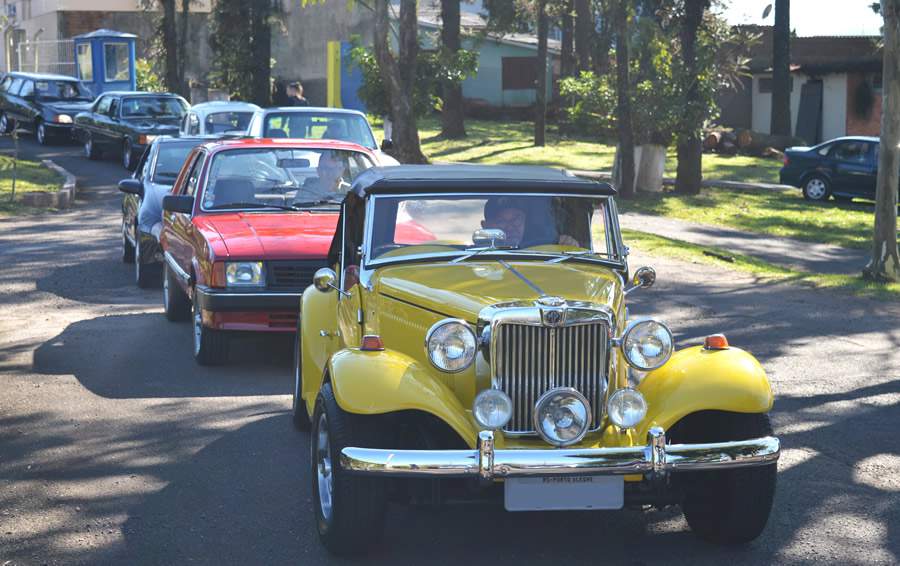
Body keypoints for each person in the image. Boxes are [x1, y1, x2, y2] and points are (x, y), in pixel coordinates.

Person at [481, 197, 580, 247]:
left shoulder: (544, 249)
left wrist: (569, 246)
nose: (510, 228)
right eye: (501, 222)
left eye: (517, 220)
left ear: (525, 221)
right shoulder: (471, 256)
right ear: (485, 226)